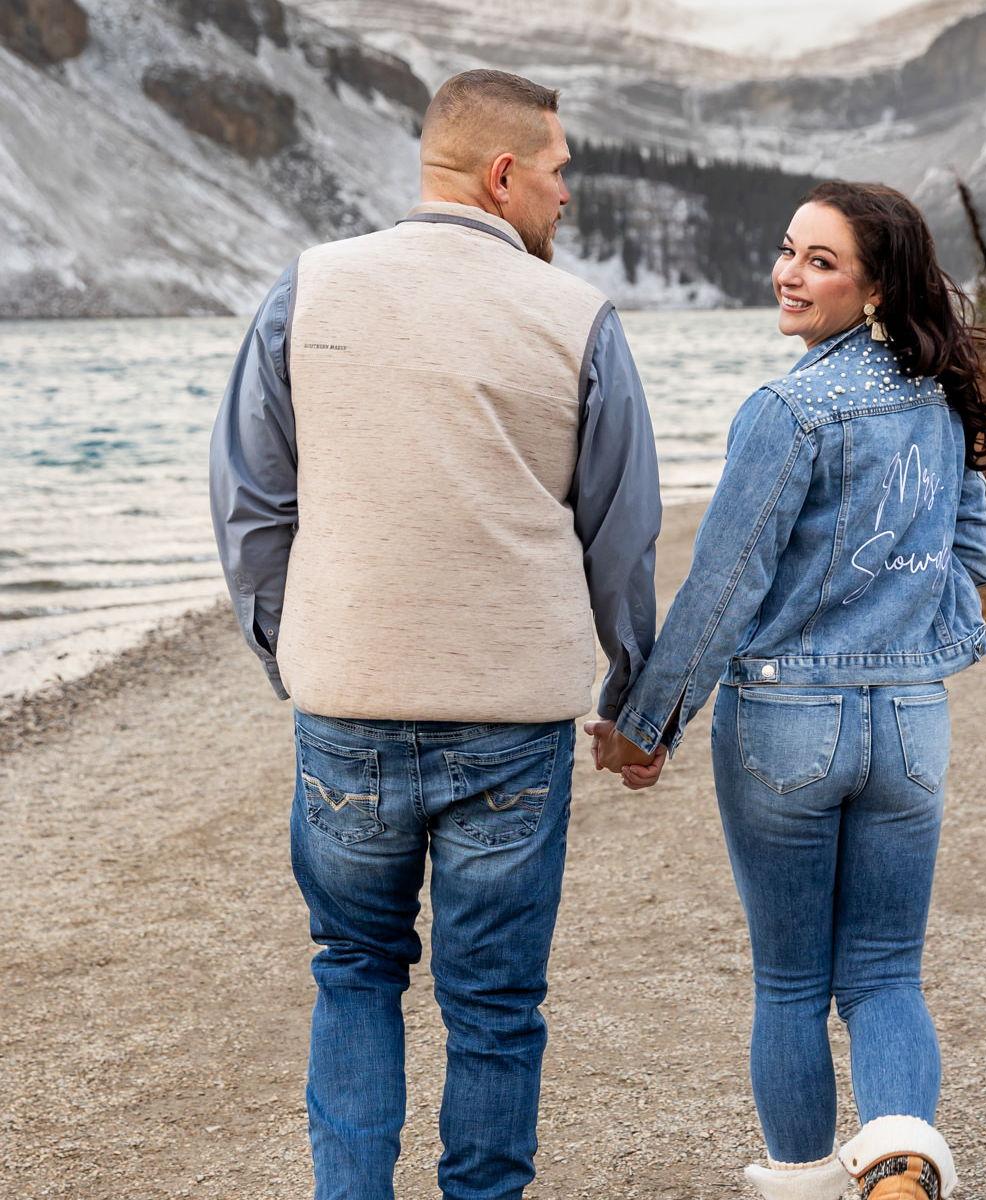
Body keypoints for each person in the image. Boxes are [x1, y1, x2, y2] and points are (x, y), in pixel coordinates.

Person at [209, 69, 662, 1200]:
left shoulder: (307, 290)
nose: (567, 195)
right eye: (557, 171)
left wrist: (295, 652)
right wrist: (634, 697)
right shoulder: (578, 319)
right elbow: (621, 536)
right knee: (495, 1003)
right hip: (510, 723)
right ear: (503, 175)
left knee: (355, 971)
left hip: (348, 707)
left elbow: (253, 506)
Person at [588, 181, 986, 1200]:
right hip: (910, 720)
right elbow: (976, 553)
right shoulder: (941, 398)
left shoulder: (788, 412)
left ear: (876, 287)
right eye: (787, 250)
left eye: (821, 261)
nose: (788, 274)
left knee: (789, 981)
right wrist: (904, 635)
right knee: (887, 972)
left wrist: (646, 724)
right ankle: (902, 1164)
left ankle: (810, 1180)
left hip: (787, 720)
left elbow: (725, 587)